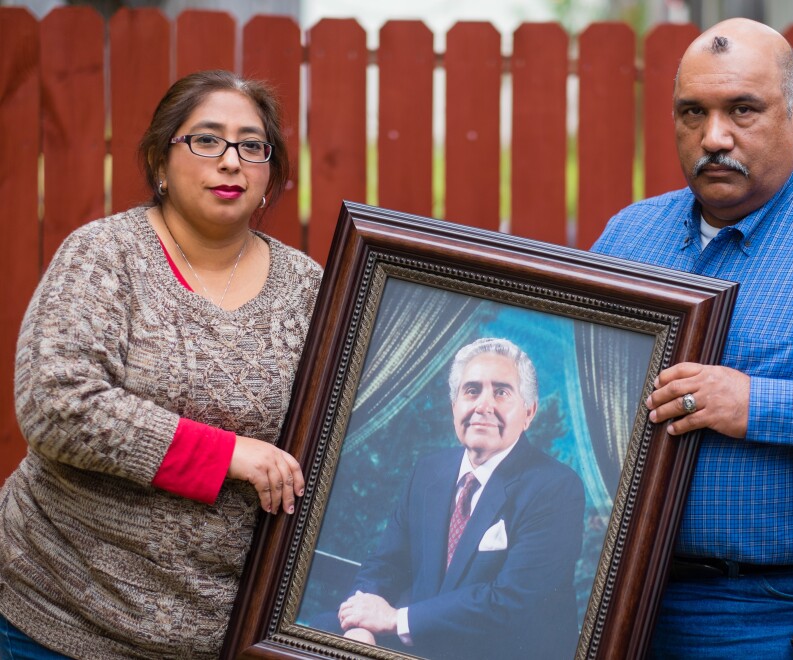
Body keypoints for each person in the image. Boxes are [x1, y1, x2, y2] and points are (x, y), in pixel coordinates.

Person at [0, 70, 323, 658]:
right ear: (158, 163)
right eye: (206, 139)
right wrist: (226, 454)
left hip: (219, 638)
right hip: (54, 615)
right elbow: (55, 404)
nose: (231, 162)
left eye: (252, 146)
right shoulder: (105, 256)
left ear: (270, 175)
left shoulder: (307, 287)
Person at [591, 18, 793, 658]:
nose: (713, 136)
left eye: (741, 110)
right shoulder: (627, 238)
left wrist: (757, 407)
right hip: (608, 605)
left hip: (777, 618)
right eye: (692, 112)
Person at [332, 338, 586, 660]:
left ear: (529, 412)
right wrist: (360, 627)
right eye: (472, 391)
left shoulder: (557, 489)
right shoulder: (429, 471)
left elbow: (510, 602)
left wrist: (396, 619)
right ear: (454, 407)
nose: (483, 406)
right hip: (422, 645)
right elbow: (386, 562)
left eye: (502, 392)